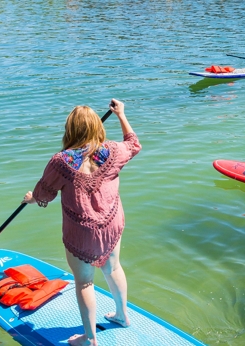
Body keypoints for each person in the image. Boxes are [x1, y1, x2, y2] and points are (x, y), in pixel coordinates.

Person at [23, 99, 141, 346]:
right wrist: (121, 114)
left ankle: (89, 339)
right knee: (114, 268)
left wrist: (32, 199)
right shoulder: (113, 151)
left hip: (81, 231)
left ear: (70, 131)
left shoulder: (61, 162)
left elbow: (45, 193)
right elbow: (133, 144)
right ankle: (122, 316)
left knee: (85, 281)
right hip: (111, 224)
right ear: (98, 128)